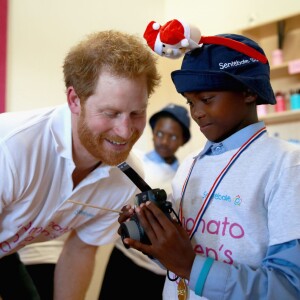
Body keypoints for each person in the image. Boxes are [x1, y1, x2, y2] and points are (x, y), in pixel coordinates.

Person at [119, 33, 300, 299]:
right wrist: (153, 239)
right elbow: (182, 261)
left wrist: (191, 266)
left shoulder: (286, 165)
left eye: (207, 99)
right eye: (190, 102)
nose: (197, 112)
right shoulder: (188, 167)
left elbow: (288, 288)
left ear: (249, 91)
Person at [0, 29, 160, 300]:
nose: (125, 131)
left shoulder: (125, 178)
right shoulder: (11, 148)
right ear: (75, 100)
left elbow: (81, 250)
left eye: (137, 113)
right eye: (111, 113)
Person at [99, 103, 191, 299]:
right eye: (160, 133)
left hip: (156, 269)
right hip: (124, 257)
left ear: (183, 140)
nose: (164, 141)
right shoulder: (133, 162)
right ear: (153, 132)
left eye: (173, 136)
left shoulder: (183, 177)